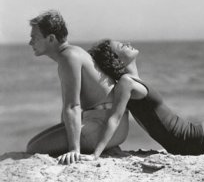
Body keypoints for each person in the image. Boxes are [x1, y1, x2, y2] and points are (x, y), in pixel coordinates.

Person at [26, 11, 129, 164]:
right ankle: (106, 146)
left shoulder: (69, 58)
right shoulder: (73, 53)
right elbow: (68, 107)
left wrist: (74, 149)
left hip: (103, 127)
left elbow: (73, 106)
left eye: (34, 38)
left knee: (33, 147)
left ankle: (96, 146)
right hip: (111, 127)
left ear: (51, 38)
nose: (30, 43)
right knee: (35, 141)